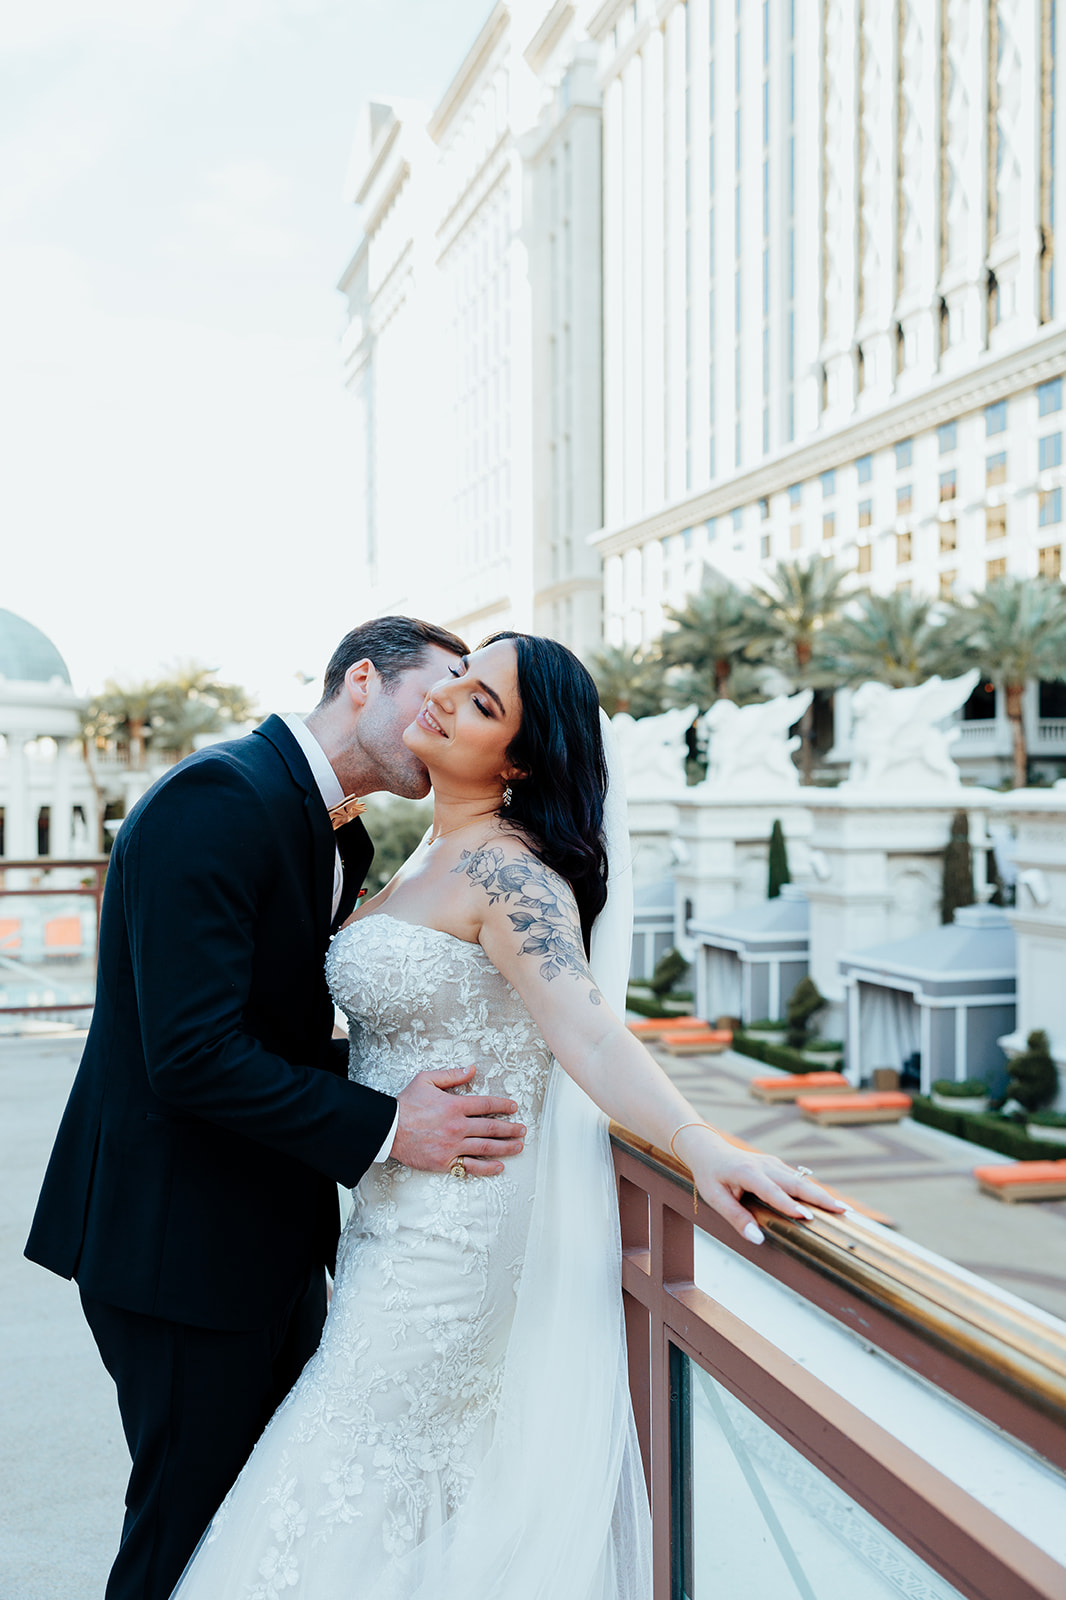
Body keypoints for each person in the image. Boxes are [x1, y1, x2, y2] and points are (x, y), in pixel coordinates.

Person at [169, 632, 844, 1600]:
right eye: (457, 680)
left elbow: (589, 1032)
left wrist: (697, 1142)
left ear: (520, 762)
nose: (447, 699)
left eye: (482, 703)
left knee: (341, 1478)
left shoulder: (511, 874)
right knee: (380, 1496)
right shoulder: (419, 855)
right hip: (388, 1221)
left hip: (451, 1239)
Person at [24, 616, 529, 1600]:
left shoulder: (329, 827)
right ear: (359, 684)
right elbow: (191, 1052)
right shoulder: (220, 799)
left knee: (254, 1537)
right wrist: (389, 1125)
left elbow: (277, 1034)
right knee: (186, 1532)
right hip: (176, 1245)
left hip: (260, 1235)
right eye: (430, 693)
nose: (440, 716)